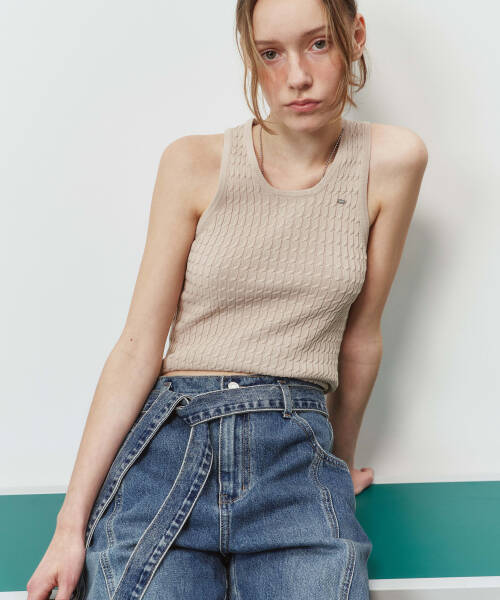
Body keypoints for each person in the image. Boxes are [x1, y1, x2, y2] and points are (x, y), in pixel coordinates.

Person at [27, 0, 428, 598]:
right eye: (271, 53)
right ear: (251, 55)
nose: (297, 76)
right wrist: (68, 528)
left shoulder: (393, 161)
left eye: (319, 43)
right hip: (171, 448)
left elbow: (360, 337)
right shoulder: (192, 162)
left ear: (356, 35)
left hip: (295, 457)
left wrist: (336, 470)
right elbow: (138, 346)